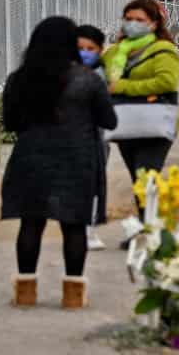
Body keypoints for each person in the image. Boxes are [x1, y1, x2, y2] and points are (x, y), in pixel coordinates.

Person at [1, 17, 117, 309]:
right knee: (74, 226)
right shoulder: (87, 80)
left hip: (30, 159)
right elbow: (109, 120)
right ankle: (73, 294)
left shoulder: (19, 79)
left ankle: (25, 290)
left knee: (31, 223)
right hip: (76, 160)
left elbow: (10, 123)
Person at [102, 0, 179, 233]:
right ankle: (146, 228)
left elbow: (167, 82)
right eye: (129, 19)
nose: (133, 24)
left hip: (155, 124)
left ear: (154, 24)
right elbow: (102, 77)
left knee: (147, 177)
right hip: (125, 123)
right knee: (138, 179)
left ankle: (150, 230)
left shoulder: (163, 51)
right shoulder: (116, 52)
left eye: (140, 20)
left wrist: (123, 87)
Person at [76, 25, 111, 251]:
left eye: (91, 48)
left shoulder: (102, 73)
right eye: (80, 48)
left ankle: (87, 229)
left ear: (100, 50)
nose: (85, 52)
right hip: (73, 137)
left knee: (93, 182)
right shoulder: (63, 71)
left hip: (97, 136)